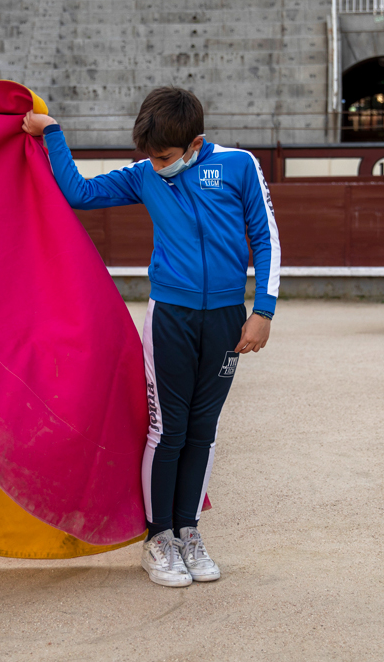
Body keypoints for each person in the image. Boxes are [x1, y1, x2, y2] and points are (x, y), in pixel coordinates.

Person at [22, 87, 281, 588]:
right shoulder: (144, 175)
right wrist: (52, 133)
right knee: (169, 431)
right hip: (171, 318)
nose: (155, 164)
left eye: (163, 156)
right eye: (150, 156)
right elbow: (79, 194)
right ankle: (158, 538)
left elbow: (266, 235)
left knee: (203, 432)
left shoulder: (240, 166)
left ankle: (189, 530)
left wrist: (264, 310)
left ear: (195, 143)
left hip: (227, 319)